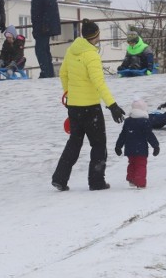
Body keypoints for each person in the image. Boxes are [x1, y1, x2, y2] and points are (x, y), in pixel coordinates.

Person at [52, 19, 125, 191]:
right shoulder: (91, 55)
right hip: (91, 108)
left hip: (74, 107)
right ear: (96, 36)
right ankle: (96, 181)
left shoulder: (72, 51)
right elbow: (99, 83)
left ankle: (60, 178)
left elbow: (63, 74)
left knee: (74, 143)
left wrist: (68, 94)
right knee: (98, 144)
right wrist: (112, 105)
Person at [114, 99, 160, 189]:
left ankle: (131, 179)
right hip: (141, 149)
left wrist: (118, 146)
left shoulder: (128, 121)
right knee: (141, 165)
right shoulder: (145, 122)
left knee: (132, 163)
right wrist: (156, 146)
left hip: (130, 148)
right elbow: (149, 135)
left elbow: (123, 135)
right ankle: (140, 182)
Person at [29, 0, 61, 78]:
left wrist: (45, 24)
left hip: (43, 26)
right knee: (44, 49)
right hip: (42, 25)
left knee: (41, 49)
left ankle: (46, 72)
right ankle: (47, 72)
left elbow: (48, 8)